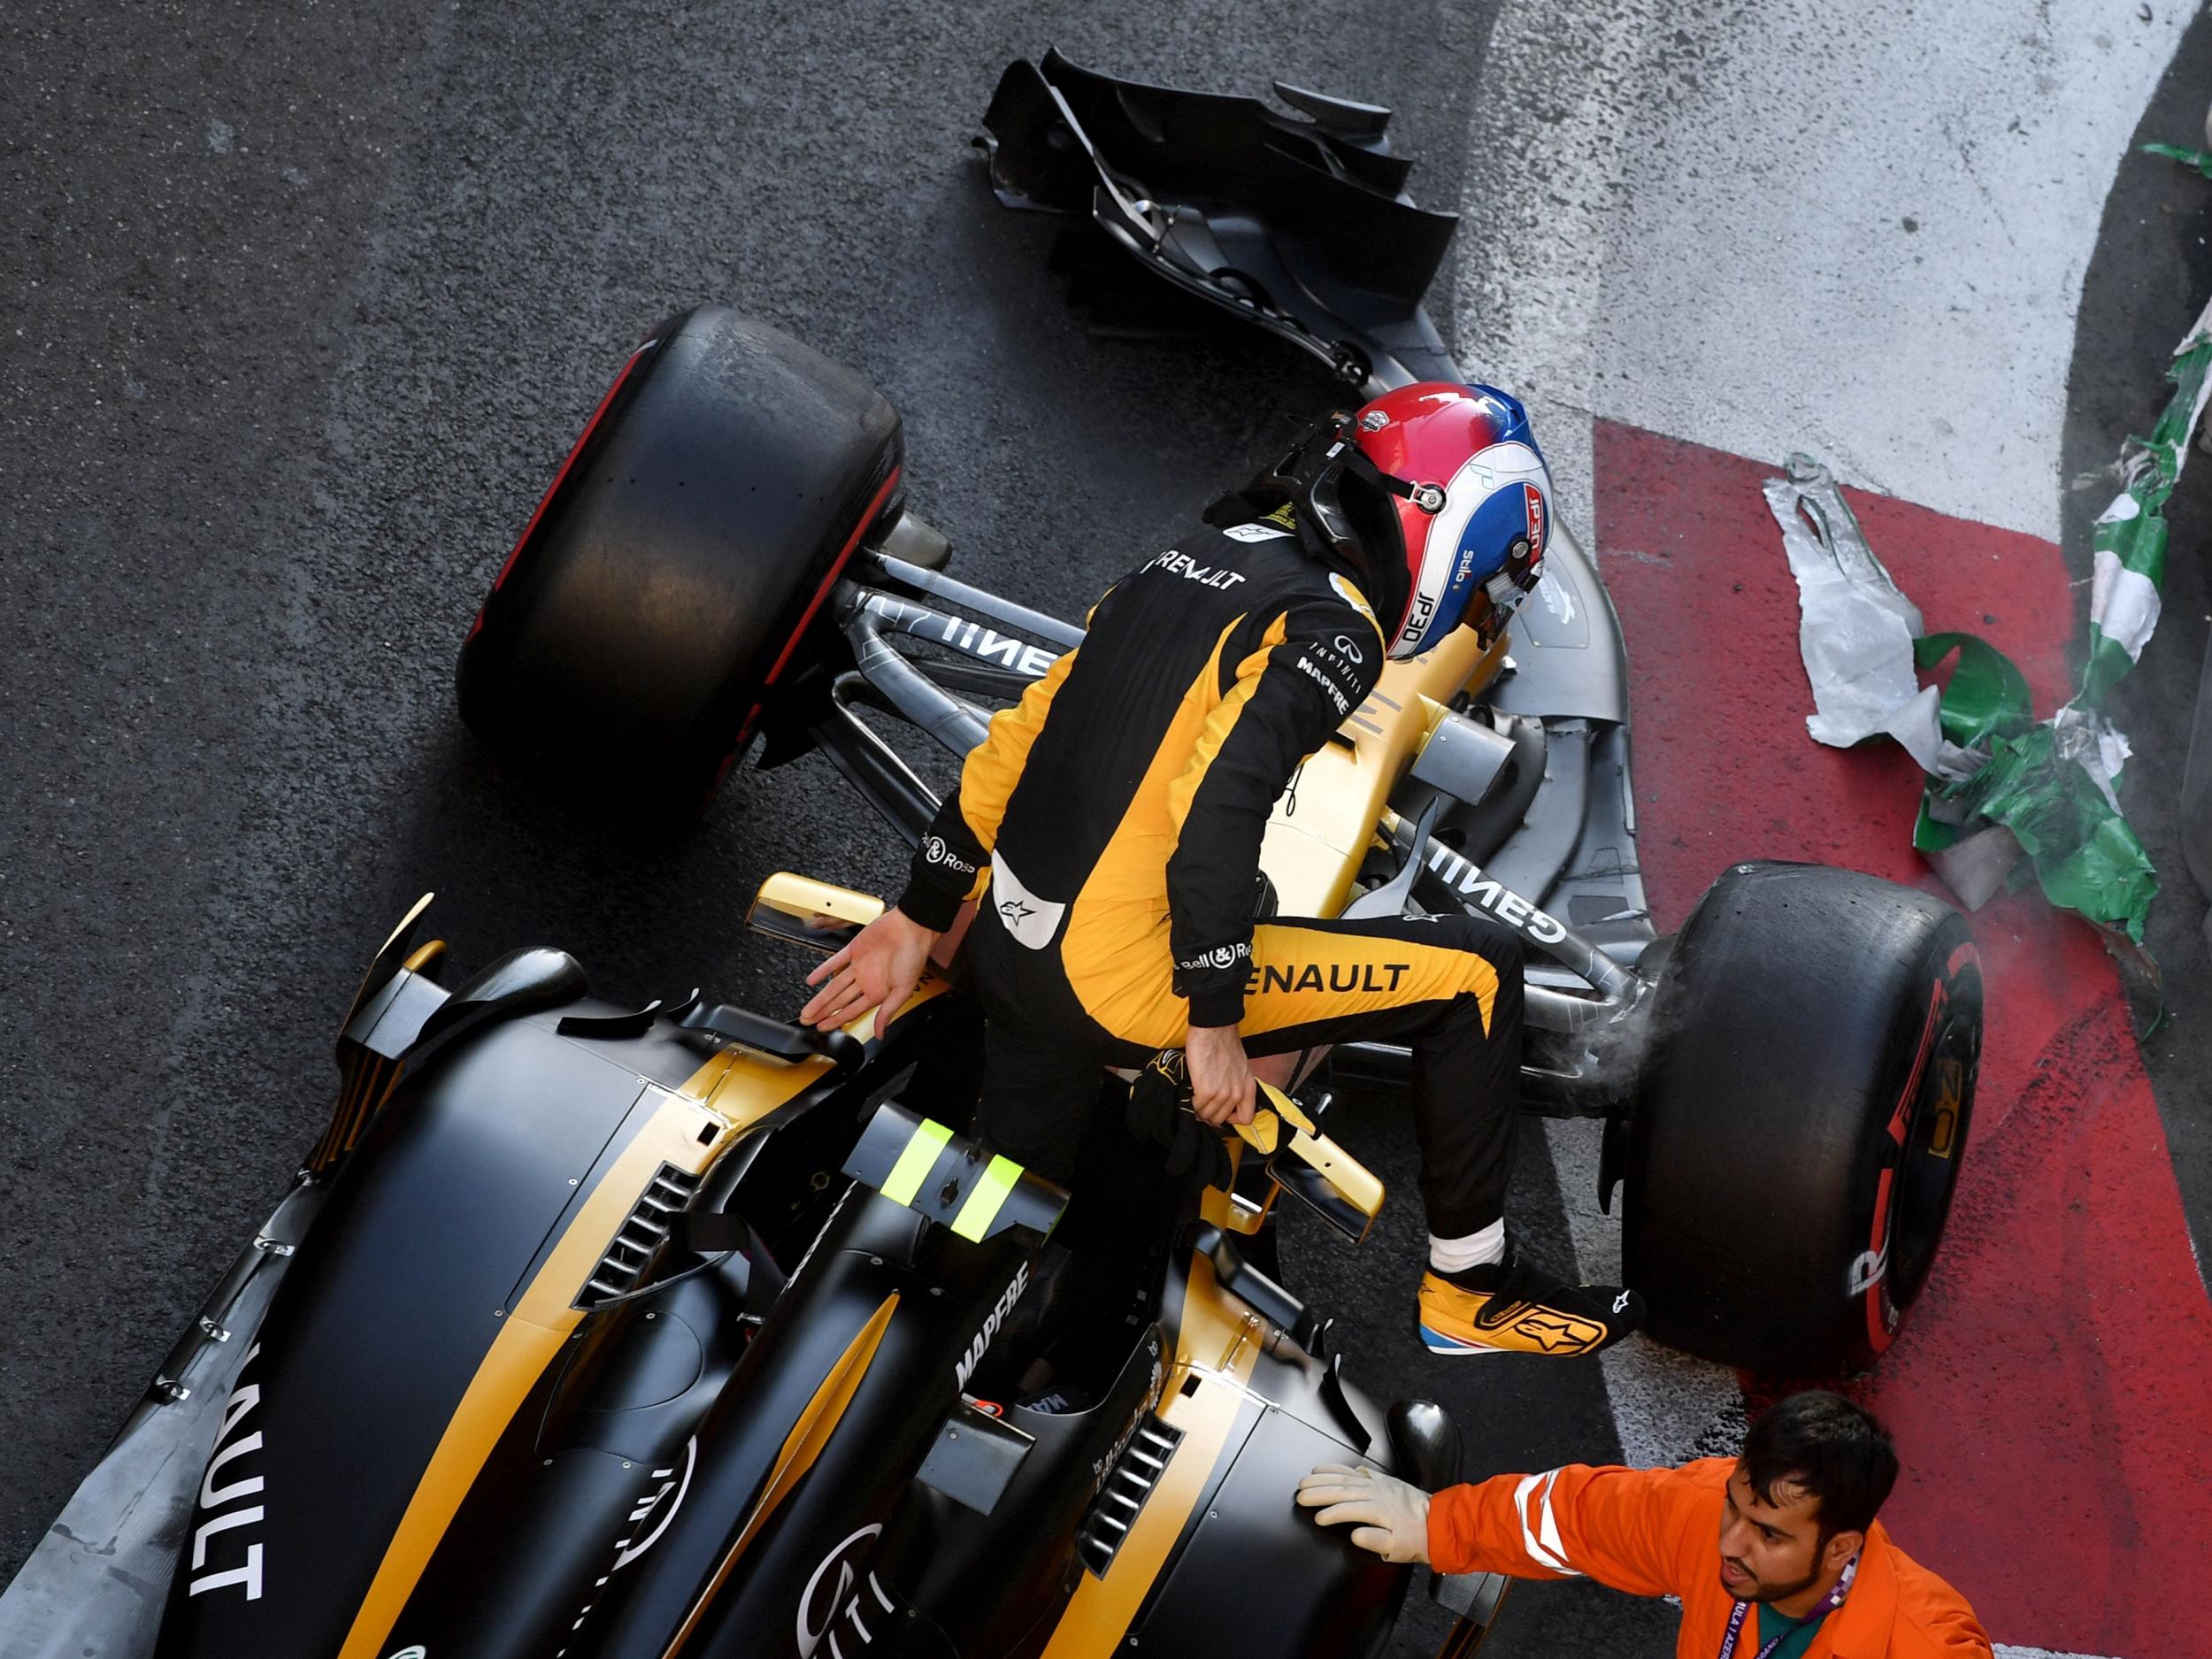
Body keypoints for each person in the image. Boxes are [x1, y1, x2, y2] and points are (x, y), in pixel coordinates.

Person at [800, 382, 1641, 1357]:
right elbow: (1219, 811)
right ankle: (1467, 1290)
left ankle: (903, 1311)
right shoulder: (1336, 630)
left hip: (1006, 951)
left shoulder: (1183, 555)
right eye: (1489, 585)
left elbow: (1022, 735)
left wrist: (916, 912)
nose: (1478, 610)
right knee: (1479, 969)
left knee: (1019, 1162)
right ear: (1449, 530)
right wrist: (1212, 1027)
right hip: (1119, 989)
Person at [1295, 1391, 1993, 1657]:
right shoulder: (1708, 1511)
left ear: (1843, 1545)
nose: (1731, 1543)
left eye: (1770, 1535)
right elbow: (1574, 1517)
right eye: (1736, 1509)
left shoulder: (1930, 1647)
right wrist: (1435, 1523)